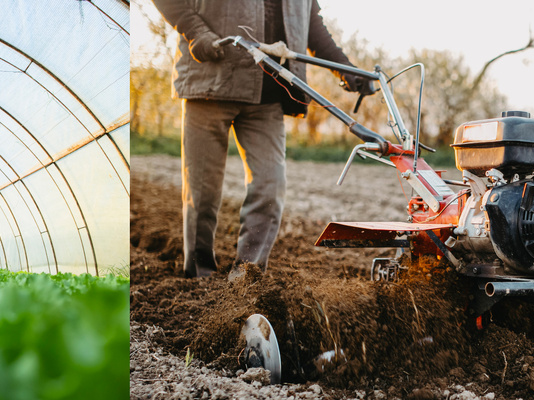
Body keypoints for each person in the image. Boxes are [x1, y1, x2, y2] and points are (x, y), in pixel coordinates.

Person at [151, 0, 375, 278]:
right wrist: (196, 32)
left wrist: (346, 68)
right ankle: (199, 276)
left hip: (269, 95)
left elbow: (312, 26)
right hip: (210, 82)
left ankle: (247, 276)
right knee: (202, 192)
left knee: (270, 186)